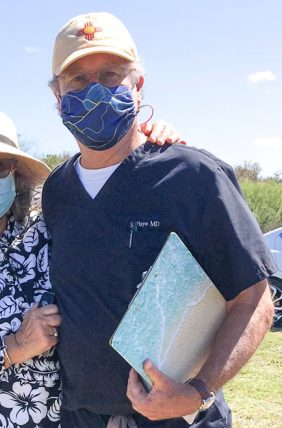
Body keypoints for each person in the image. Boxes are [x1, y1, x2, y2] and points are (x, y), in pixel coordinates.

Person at [42, 12, 278, 427]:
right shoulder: (56, 190)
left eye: (111, 75)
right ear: (57, 96)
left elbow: (254, 298)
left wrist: (199, 391)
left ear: (138, 85)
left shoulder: (194, 176)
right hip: (81, 417)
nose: (94, 91)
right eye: (77, 80)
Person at [0, 107, 183, 426]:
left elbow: (109, 207)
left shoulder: (44, 226)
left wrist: (146, 148)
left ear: (15, 172)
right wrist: (13, 347)